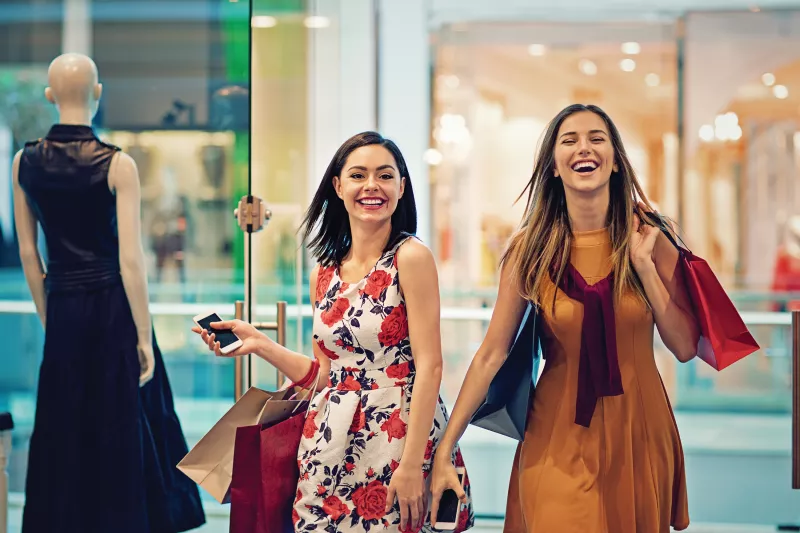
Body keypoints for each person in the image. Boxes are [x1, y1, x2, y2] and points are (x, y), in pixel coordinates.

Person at [429, 104, 700, 533]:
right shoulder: (531, 251)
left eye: (597, 138)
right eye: (569, 140)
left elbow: (685, 347)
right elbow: (491, 354)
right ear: (553, 166)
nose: (583, 148)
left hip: (638, 431)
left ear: (614, 160)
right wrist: (446, 446)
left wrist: (645, 268)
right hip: (556, 434)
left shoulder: (650, 237)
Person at [193, 131, 474, 533]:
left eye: (385, 175)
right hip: (327, 442)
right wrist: (260, 343)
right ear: (339, 187)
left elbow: (430, 367)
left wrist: (413, 465)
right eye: (359, 175)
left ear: (401, 187)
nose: (372, 186)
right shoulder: (322, 274)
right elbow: (327, 376)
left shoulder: (410, 257)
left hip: (397, 439)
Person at [12, 53, 205, 533]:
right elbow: (131, 259)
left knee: (63, 422)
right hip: (114, 308)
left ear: (50, 96)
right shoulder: (118, 164)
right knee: (121, 421)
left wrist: (47, 314)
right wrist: (144, 336)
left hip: (64, 308)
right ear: (97, 94)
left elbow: (29, 255)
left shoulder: (24, 162)